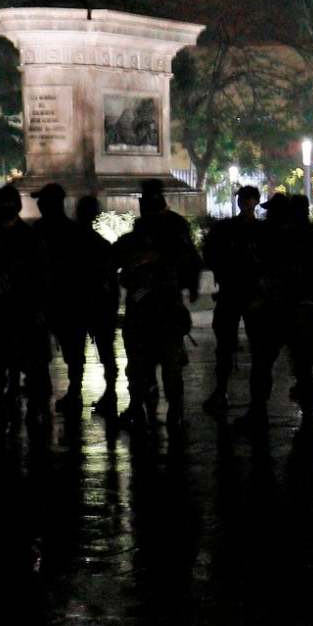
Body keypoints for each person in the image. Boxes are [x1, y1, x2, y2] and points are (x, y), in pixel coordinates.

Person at [113, 180, 200, 435]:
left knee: (154, 366)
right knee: (151, 367)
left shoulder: (167, 233)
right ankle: (155, 409)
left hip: (159, 309)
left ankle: (159, 409)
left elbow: (188, 262)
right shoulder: (161, 231)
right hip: (153, 309)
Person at [243, 192, 313, 427]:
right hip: (302, 309)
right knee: (302, 363)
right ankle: (308, 410)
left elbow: (261, 269)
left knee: (264, 362)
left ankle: (259, 410)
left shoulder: (273, 237)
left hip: (278, 309)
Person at [34, 185, 119, 416]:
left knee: (77, 351)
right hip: (88, 303)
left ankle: (79, 391)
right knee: (99, 351)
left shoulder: (57, 233)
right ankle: (103, 392)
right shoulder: (94, 240)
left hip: (74, 304)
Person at [0, 182, 49, 424]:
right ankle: (11, 398)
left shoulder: (26, 237)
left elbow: (40, 275)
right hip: (8, 310)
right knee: (4, 362)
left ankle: (29, 404)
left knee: (26, 363)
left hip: (22, 309)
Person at [200, 184, 261, 414]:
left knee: (228, 346)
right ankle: (249, 399)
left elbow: (211, 255)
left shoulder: (226, 229)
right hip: (244, 293)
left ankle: (223, 391)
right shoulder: (256, 230)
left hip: (234, 292)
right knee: (240, 347)